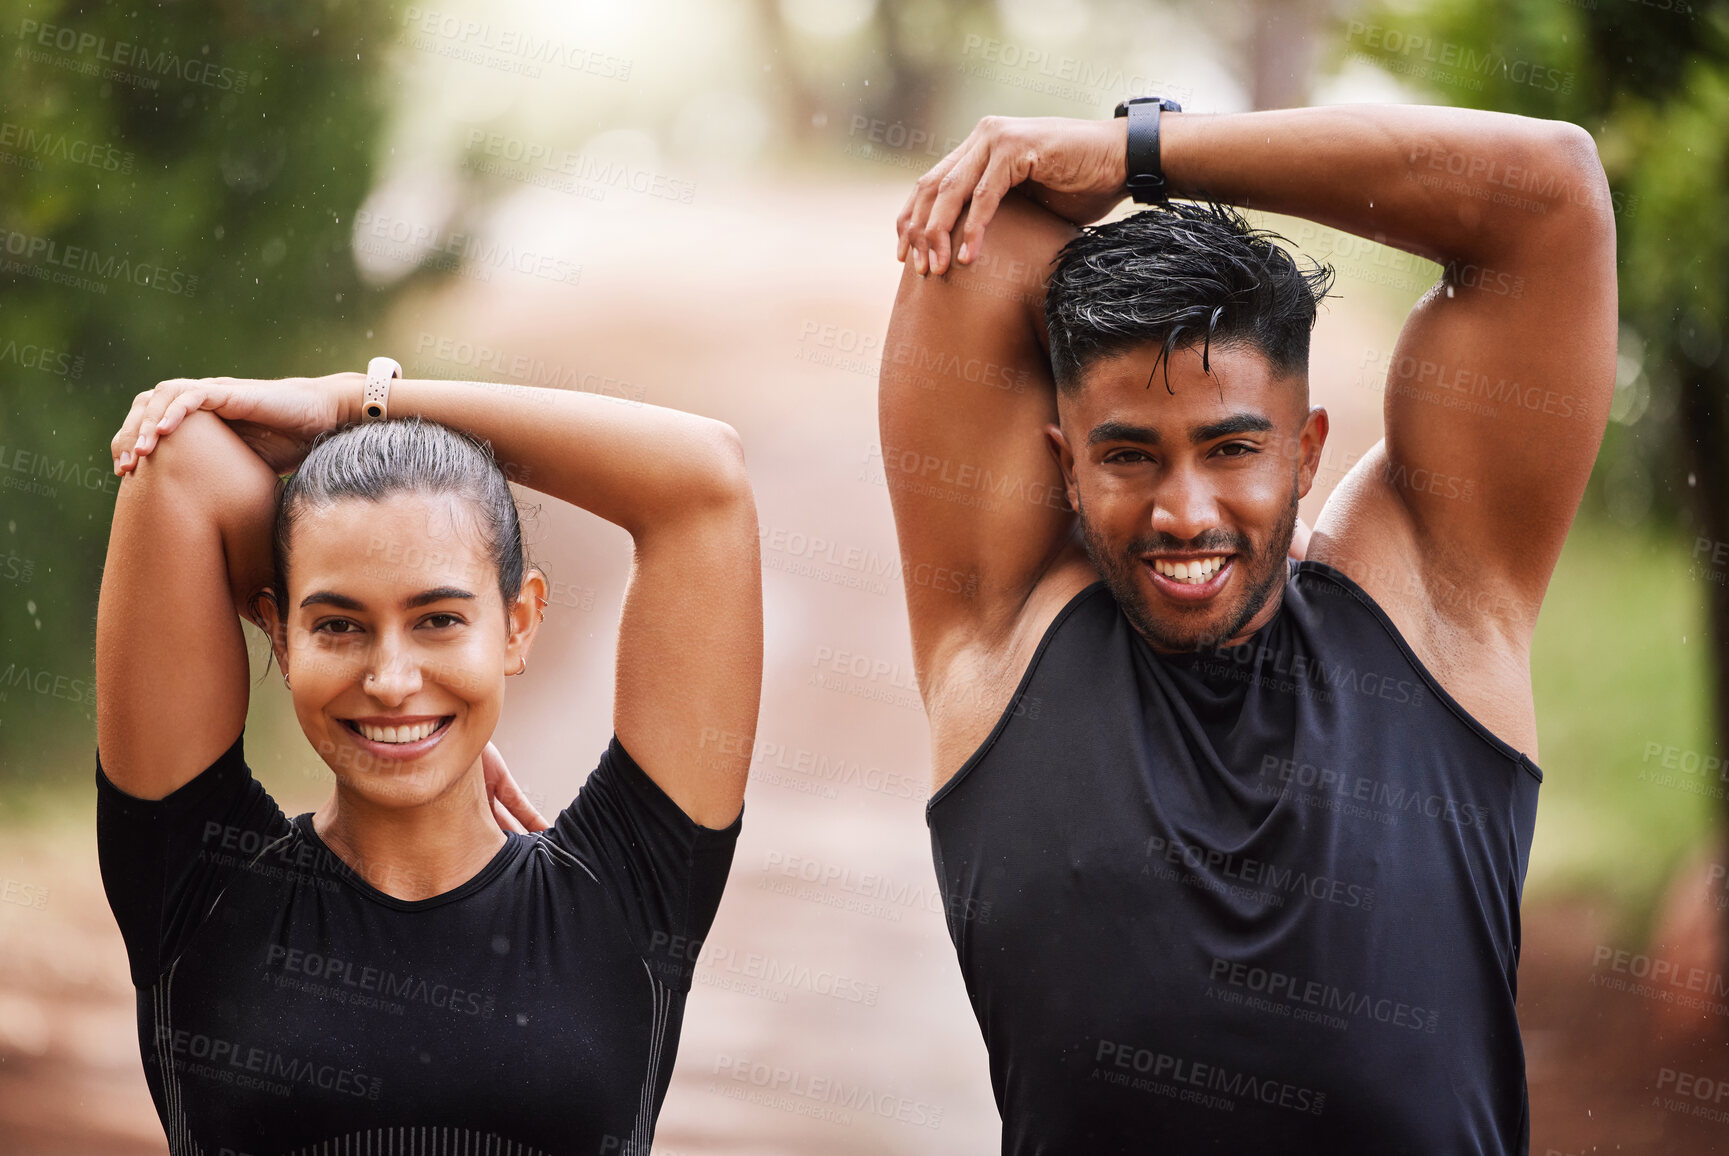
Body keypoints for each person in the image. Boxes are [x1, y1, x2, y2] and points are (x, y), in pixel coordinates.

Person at [881, 104, 1615, 1151]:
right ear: (1065, 468)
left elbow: (1549, 191)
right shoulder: (1002, 637)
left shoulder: (1436, 610)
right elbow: (991, 223)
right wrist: (1091, 174)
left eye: (1231, 449)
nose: (1184, 513)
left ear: (1306, 451)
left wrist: (1141, 151)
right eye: (1130, 455)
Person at [95, 369, 762, 1154]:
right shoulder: (199, 874)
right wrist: (432, 712)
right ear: (276, 631)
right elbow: (181, 455)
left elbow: (704, 475)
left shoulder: (625, 889)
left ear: (517, 624)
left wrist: (356, 402)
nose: (391, 681)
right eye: (338, 626)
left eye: (439, 620)